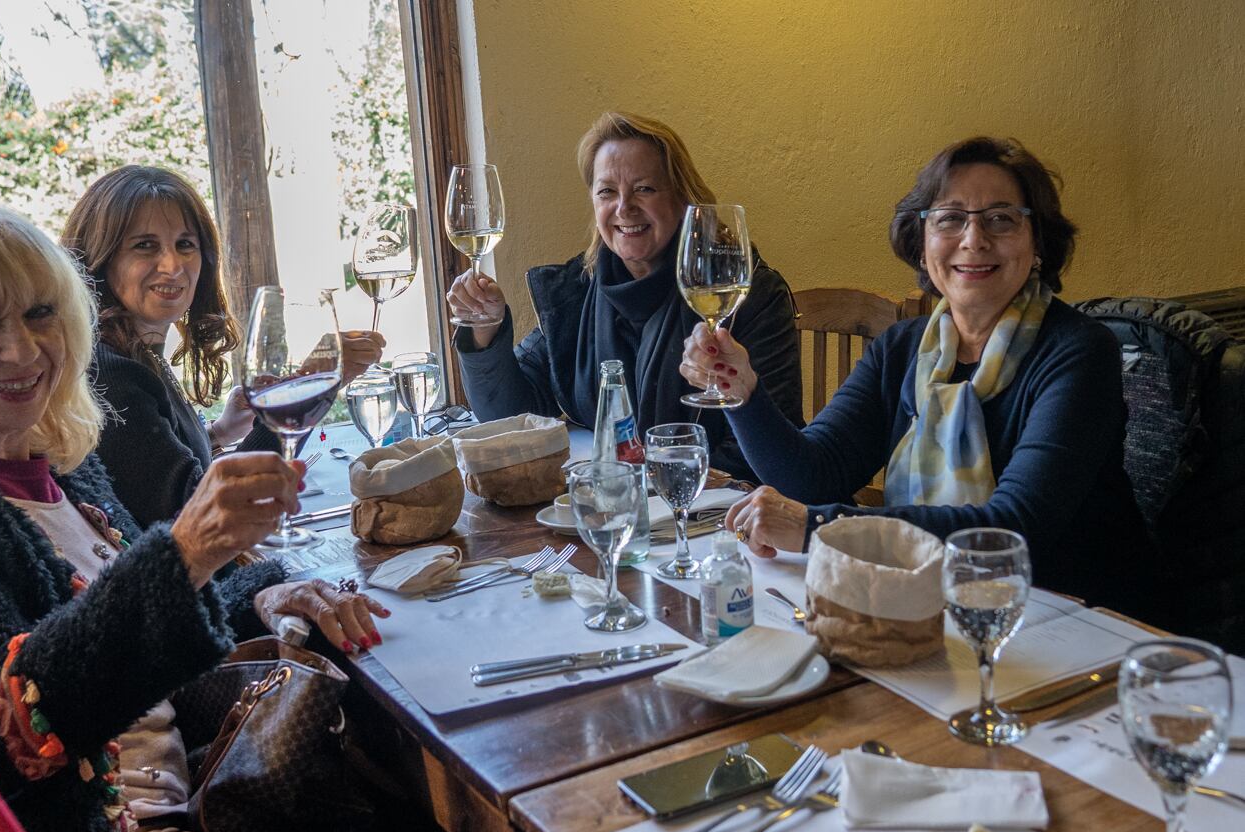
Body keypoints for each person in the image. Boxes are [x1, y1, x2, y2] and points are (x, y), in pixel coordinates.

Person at [0, 206, 491, 832]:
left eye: (41, 313)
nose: (21, 348)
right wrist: (187, 552)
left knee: (415, 823)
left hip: (179, 786)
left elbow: (145, 610)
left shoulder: (49, 456)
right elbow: (4, 728)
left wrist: (263, 591)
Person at [684, 136, 1151, 614]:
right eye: (950, 218)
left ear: (1038, 246)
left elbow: (1013, 528)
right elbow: (813, 474)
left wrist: (820, 529)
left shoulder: (1079, 351)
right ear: (923, 245)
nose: (974, 239)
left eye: (1002, 219)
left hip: (1068, 620)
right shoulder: (903, 348)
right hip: (927, 605)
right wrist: (739, 391)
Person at [448, 111, 802, 477]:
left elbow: (766, 456)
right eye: (607, 192)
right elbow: (514, 416)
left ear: (683, 198)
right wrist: (486, 332)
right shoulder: (580, 288)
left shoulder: (749, 296)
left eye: (644, 188)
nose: (624, 207)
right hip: (612, 504)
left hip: (714, 514)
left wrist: (642, 481)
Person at [63, 165, 386, 530]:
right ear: (99, 259)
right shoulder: (110, 374)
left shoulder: (133, 349)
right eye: (145, 246)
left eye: (185, 244)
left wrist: (217, 434)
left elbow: (155, 475)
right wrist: (311, 386)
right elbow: (205, 519)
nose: (172, 265)